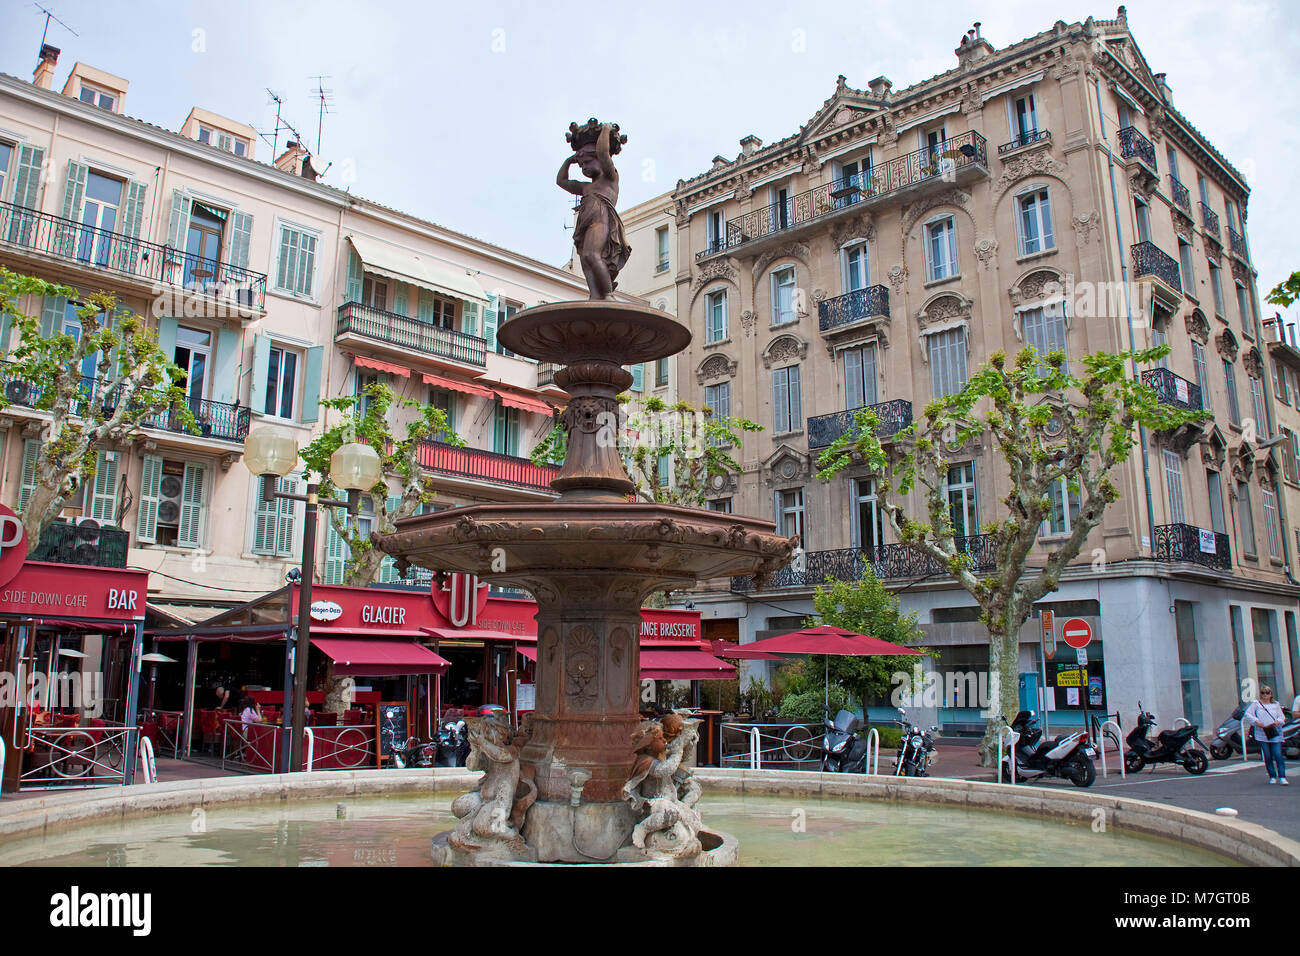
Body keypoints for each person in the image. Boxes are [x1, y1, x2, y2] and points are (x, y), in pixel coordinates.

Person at [1244, 685, 1288, 785]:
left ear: (1271, 694)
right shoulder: (1256, 704)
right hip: (1263, 732)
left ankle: (1282, 776)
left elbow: (1282, 717)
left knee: (1277, 754)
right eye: (1263, 693)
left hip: (1274, 731)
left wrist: (1278, 721)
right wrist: (1257, 721)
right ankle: (1272, 776)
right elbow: (1248, 714)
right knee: (1267, 756)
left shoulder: (1276, 704)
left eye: (1267, 693)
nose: (1265, 695)